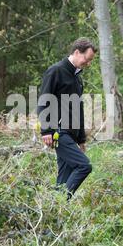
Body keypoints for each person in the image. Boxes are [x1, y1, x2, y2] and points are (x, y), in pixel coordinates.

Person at [37, 37, 97, 200]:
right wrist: (46, 130)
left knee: (64, 178)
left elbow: (78, 109)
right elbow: (44, 101)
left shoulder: (77, 78)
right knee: (83, 166)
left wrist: (81, 139)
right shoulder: (56, 71)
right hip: (58, 132)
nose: (88, 63)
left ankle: (54, 208)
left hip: (71, 133)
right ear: (77, 52)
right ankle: (61, 202)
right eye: (87, 59)